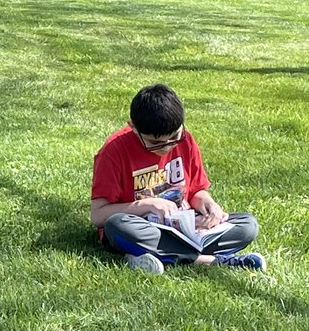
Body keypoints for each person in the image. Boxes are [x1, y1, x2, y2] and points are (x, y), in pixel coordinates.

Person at [90, 83, 264, 275]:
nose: (166, 147)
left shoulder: (186, 140)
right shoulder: (114, 151)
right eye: (154, 143)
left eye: (174, 137)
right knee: (117, 227)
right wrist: (147, 205)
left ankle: (156, 255)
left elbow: (196, 191)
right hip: (145, 227)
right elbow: (98, 216)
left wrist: (209, 205)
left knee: (248, 226)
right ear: (133, 127)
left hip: (187, 228)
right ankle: (210, 261)